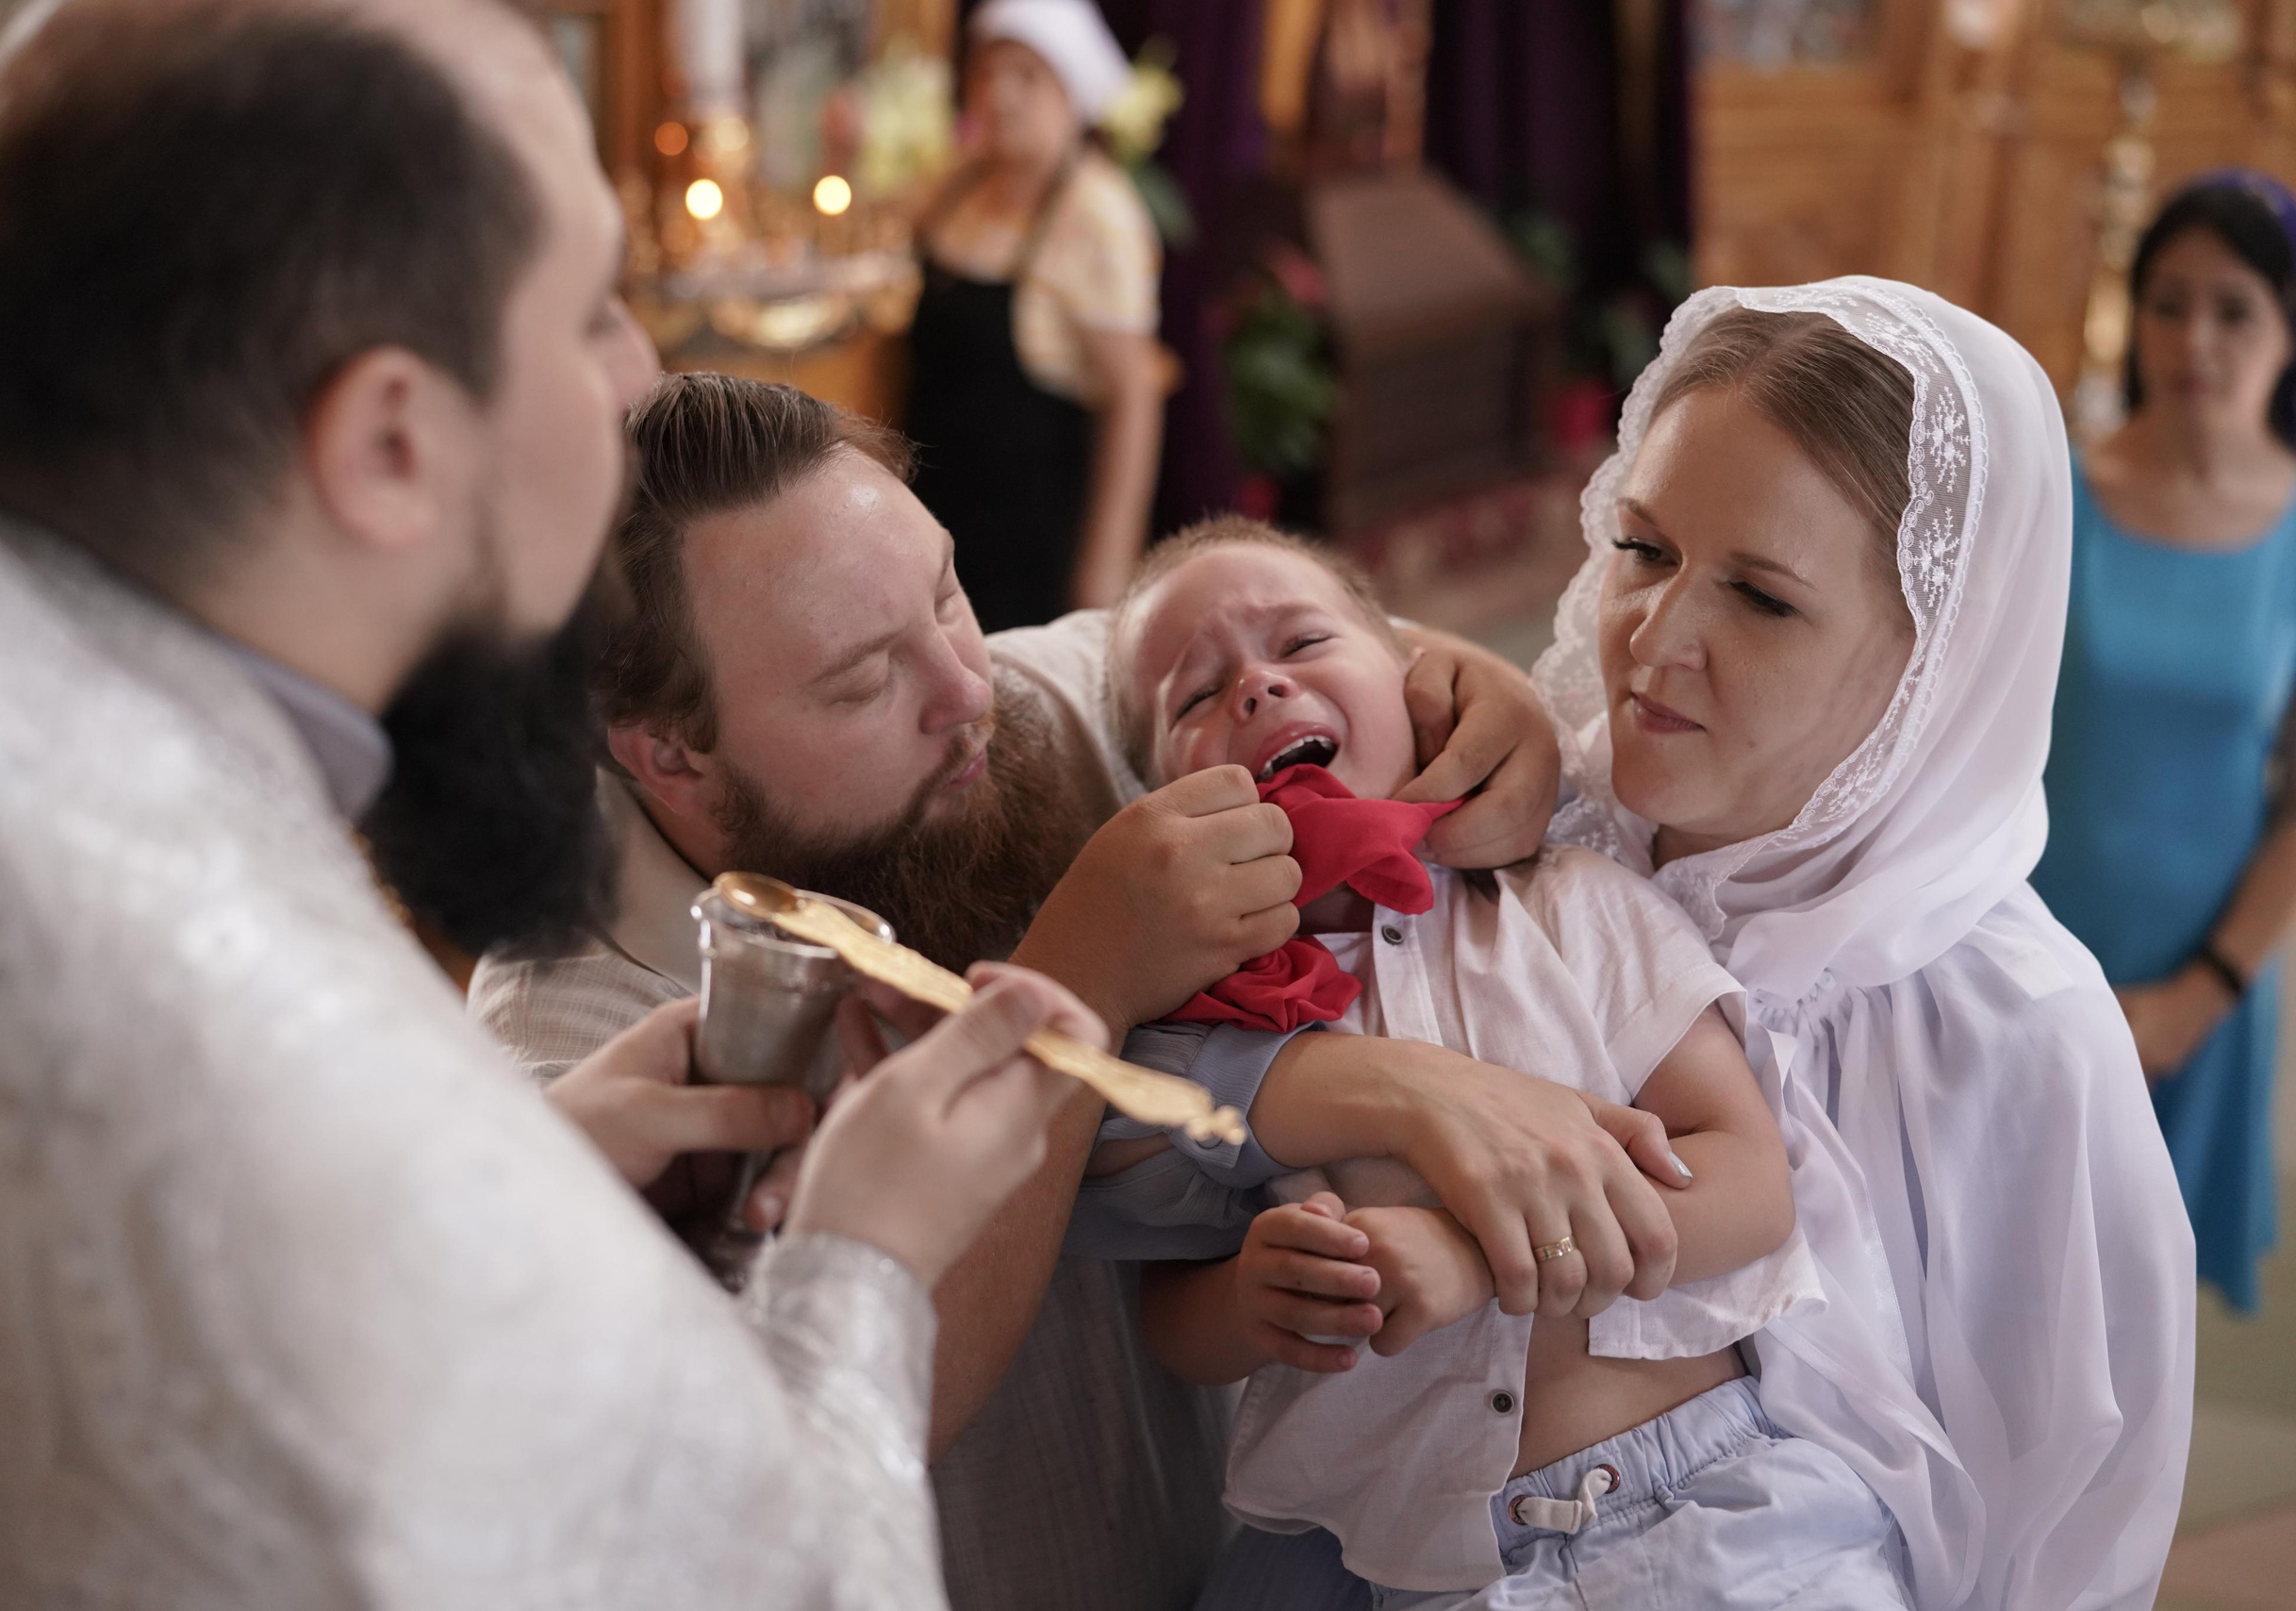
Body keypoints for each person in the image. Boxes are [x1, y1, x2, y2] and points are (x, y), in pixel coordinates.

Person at [0, 0, 1102, 1602]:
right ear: (391, 441)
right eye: (593, 305)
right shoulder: (375, 1150)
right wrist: (856, 1266)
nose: (637, 376)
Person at [470, 372, 1697, 1611]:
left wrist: (1477, 697)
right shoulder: (565, 1053)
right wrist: (1081, 978)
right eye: (860, 683)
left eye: (945, 594)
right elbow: (784, 1464)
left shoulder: (1020, 702)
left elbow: (1279, 640)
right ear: (666, 750)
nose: (965, 695)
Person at [1090, 519, 1908, 1609]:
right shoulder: (1204, 1031)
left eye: (1301, 641)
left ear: (1418, 687)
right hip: (1423, 1573)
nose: (1255, 686)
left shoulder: (1567, 905)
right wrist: (1254, 1300)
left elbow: (1752, 1186)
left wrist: (1471, 1258)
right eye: (1194, 697)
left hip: (1689, 1508)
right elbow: (1171, 1312)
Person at [1532, 281, 2195, 1610]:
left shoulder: (2018, 1033)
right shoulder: (1530, 836)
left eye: (1763, 601)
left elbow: (2066, 1524)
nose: (1656, 641)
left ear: (1931, 659)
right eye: (1645, 550)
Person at [2033, 170, 2296, 1312]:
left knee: (2133, 1312)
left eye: (2233, 309)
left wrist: (2209, 986)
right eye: (2167, 302)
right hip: (2027, 949)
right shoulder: (2054, 488)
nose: (2195, 338)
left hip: (2200, 977)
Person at [901, 0, 1164, 631]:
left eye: (1026, 76)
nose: (999, 95)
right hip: (936, 513)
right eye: (986, 73)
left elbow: (1134, 396)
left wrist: (1103, 570)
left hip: (1028, 541)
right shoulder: (960, 183)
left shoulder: (1096, 213)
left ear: (1071, 90)